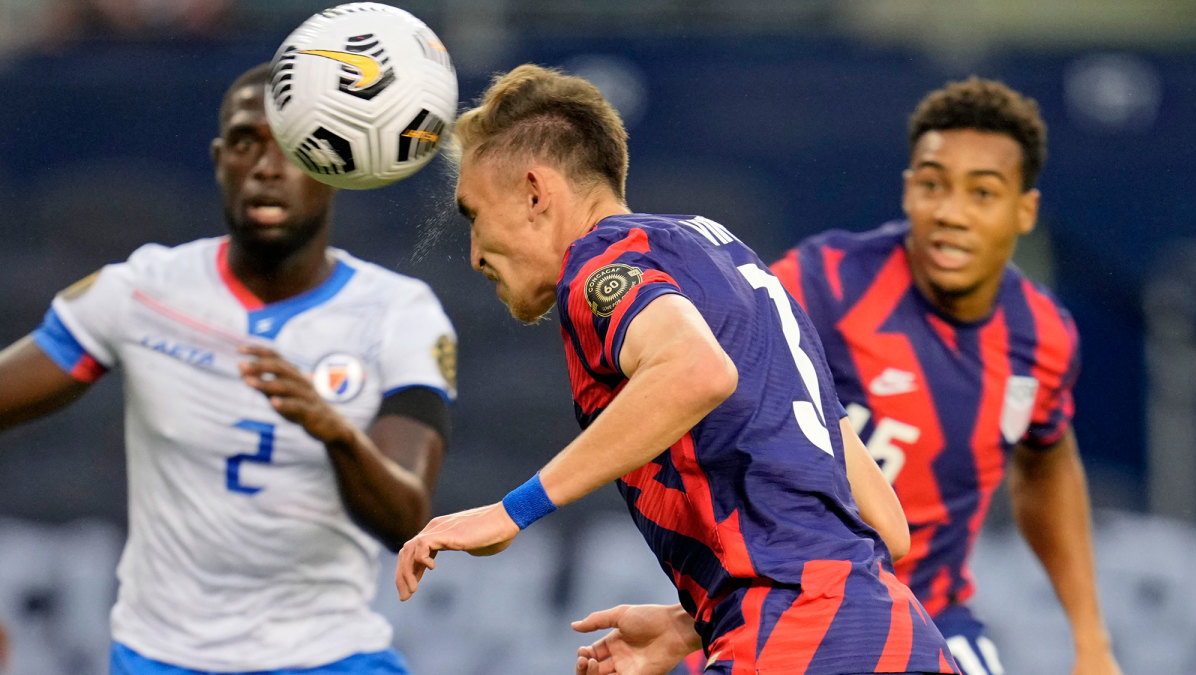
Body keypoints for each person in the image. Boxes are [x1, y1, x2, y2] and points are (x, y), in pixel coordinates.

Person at [394, 63, 957, 675]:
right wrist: (692, 623)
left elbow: (695, 371)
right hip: (896, 636)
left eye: (474, 215)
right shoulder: (730, 264)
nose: (474, 253)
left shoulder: (599, 263)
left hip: (792, 641)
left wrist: (511, 511)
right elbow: (886, 529)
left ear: (535, 193)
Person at [0, 63, 456, 673]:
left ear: (336, 164)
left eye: (295, 145)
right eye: (246, 142)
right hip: (159, 658)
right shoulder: (142, 291)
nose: (267, 167)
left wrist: (335, 433)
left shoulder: (399, 313)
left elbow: (406, 521)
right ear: (220, 159)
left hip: (330, 657)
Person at [765, 77, 1121, 675]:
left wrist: (1091, 640)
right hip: (788, 606)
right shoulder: (822, 282)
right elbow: (714, 385)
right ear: (908, 191)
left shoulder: (1043, 335)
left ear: (1024, 210)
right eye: (932, 185)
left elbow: (1047, 462)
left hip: (931, 616)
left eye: (982, 193)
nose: (950, 213)